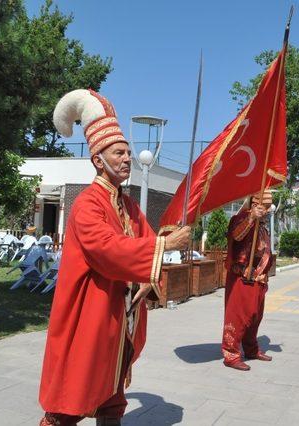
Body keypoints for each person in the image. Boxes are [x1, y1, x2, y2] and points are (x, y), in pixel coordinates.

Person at [39, 89, 190, 426]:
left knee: (112, 394)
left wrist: (166, 240)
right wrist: (164, 247)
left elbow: (146, 241)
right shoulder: (87, 204)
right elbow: (107, 250)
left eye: (128, 153)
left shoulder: (127, 204)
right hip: (88, 313)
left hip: (118, 316)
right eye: (119, 152)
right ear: (98, 160)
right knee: (71, 397)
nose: (127, 159)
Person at [221, 190, 275, 371]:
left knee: (255, 317)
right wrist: (251, 217)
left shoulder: (263, 224)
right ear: (254, 205)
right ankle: (231, 354)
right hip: (241, 278)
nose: (268, 210)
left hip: (258, 278)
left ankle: (251, 349)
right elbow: (237, 236)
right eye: (265, 206)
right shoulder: (241, 218)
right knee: (238, 317)